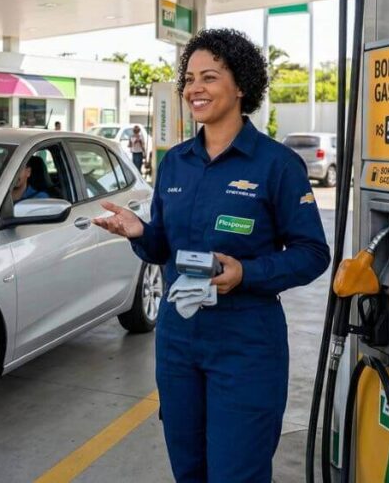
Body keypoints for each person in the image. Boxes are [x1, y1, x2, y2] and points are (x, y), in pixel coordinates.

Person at [93, 28, 330, 482]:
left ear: (240, 84)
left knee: (235, 473)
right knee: (190, 469)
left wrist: (249, 272)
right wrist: (140, 231)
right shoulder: (175, 163)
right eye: (189, 79)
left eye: (209, 77)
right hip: (179, 339)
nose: (194, 89)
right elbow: (164, 247)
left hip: (246, 343)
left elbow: (313, 253)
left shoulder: (276, 165)